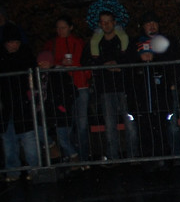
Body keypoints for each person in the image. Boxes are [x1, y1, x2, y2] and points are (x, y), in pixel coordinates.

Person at [93, 11, 140, 161]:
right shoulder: (97, 42)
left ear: (114, 23)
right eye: (103, 22)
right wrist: (104, 65)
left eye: (109, 21)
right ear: (100, 24)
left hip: (124, 87)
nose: (106, 25)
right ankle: (113, 157)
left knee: (130, 123)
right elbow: (90, 60)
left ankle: (133, 156)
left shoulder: (124, 40)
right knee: (109, 126)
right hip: (106, 89)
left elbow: (131, 58)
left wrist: (119, 65)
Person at [135, 12, 180, 157]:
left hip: (165, 89)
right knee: (149, 126)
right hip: (146, 93)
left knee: (171, 125)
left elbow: (173, 59)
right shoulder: (137, 43)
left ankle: (176, 156)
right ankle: (154, 156)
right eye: (148, 24)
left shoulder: (167, 41)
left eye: (154, 23)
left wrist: (174, 82)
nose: (152, 26)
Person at [44, 15, 91, 163]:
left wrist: (84, 74)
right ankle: (71, 156)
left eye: (63, 27)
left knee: (82, 124)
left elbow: (85, 61)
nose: (60, 30)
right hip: (62, 89)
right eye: (58, 28)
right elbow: (47, 62)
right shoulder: (51, 44)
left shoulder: (79, 42)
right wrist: (60, 63)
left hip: (80, 85)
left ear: (70, 27)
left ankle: (84, 157)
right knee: (66, 125)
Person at [0, 23, 39, 180]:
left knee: (28, 138)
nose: (14, 45)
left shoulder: (25, 54)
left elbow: (32, 75)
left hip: (23, 104)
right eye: (11, 42)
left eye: (16, 42)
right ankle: (13, 171)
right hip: (5, 105)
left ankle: (34, 169)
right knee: (8, 140)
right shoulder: (2, 55)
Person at [36, 50, 78, 163]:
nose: (42, 65)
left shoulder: (59, 73)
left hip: (60, 112)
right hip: (45, 111)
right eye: (40, 63)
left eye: (45, 62)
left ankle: (74, 158)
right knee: (39, 131)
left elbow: (72, 92)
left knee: (63, 139)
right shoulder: (38, 75)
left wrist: (62, 106)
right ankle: (52, 147)